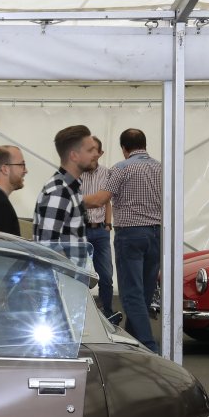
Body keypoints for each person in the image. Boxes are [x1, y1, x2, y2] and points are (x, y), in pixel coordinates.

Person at [84, 128, 163, 353]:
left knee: (131, 294)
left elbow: (100, 199)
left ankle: (149, 348)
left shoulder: (121, 168)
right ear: (144, 145)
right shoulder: (161, 168)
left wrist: (70, 199)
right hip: (156, 234)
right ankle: (133, 340)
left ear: (124, 148)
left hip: (130, 234)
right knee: (145, 292)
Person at [32, 124, 97, 265]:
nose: (96, 154)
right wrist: (71, 273)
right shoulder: (59, 191)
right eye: (90, 150)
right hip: (64, 277)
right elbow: (48, 246)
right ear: (74, 155)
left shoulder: (70, 188)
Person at [77, 134, 117, 320]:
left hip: (101, 231)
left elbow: (107, 201)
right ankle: (80, 314)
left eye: (95, 150)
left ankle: (107, 314)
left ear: (101, 153)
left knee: (106, 276)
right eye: (88, 150)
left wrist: (108, 224)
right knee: (80, 274)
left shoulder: (107, 173)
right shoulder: (76, 175)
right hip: (81, 231)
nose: (91, 154)